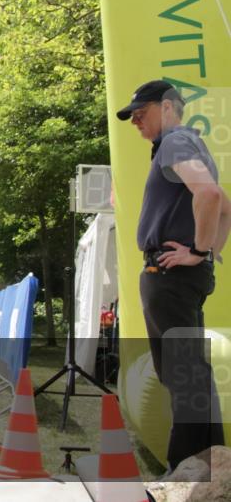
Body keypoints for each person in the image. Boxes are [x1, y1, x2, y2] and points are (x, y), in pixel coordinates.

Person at [118, 79, 227, 470]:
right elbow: (225, 206)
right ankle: (209, 464)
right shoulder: (190, 144)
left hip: (168, 273)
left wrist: (198, 252)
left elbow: (212, 196)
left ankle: (187, 469)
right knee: (192, 372)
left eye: (140, 113)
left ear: (167, 106)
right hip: (178, 276)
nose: (134, 122)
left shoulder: (176, 142)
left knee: (184, 374)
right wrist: (209, 254)